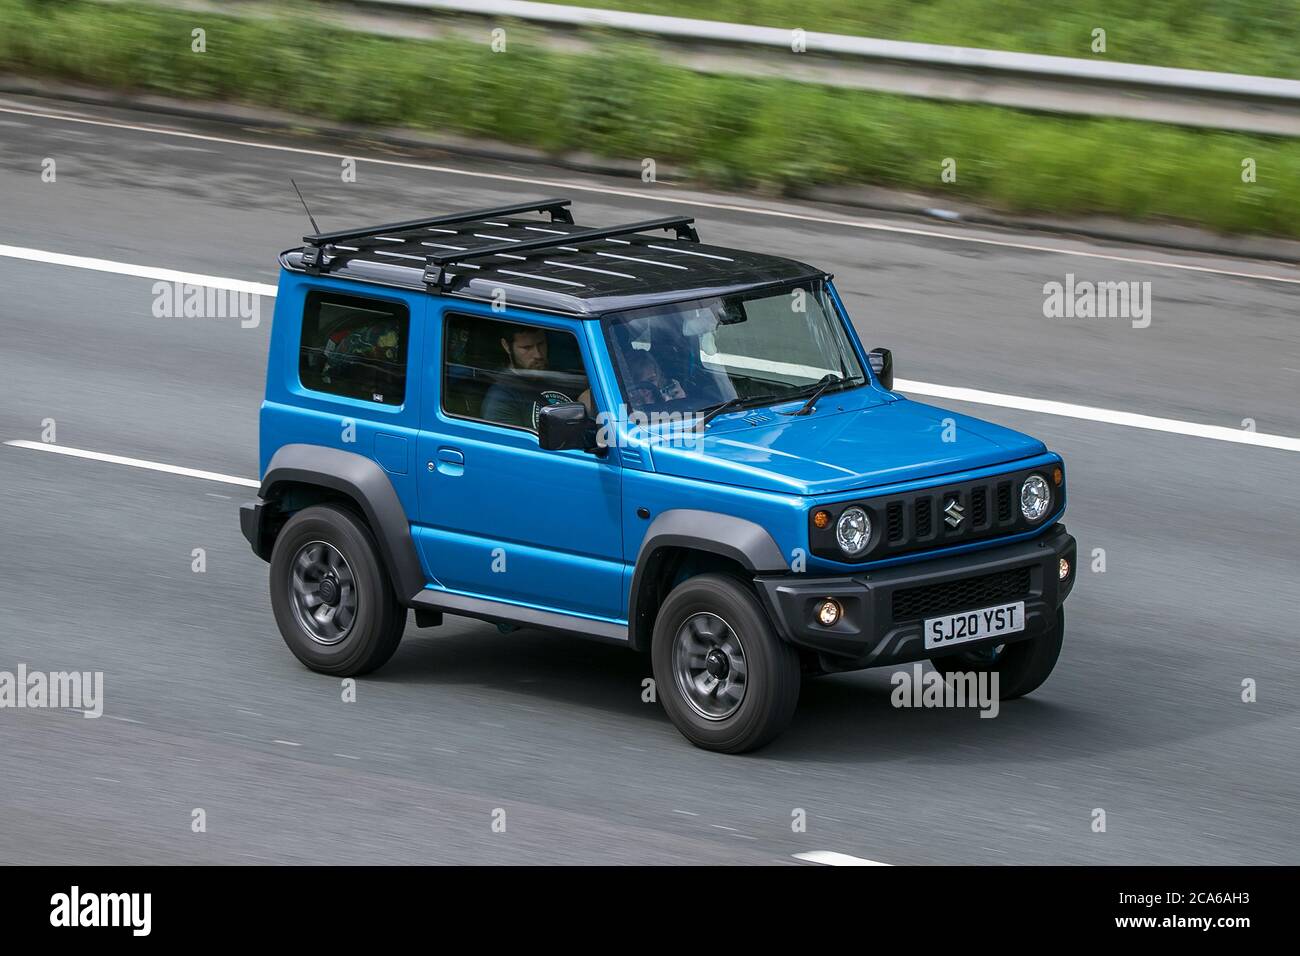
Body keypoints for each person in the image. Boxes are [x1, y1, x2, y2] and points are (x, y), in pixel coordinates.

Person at [481, 325, 592, 430]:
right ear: (506, 346)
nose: (538, 355)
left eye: (541, 344)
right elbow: (513, 446)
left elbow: (588, 396)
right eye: (527, 348)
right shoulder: (501, 398)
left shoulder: (560, 375)